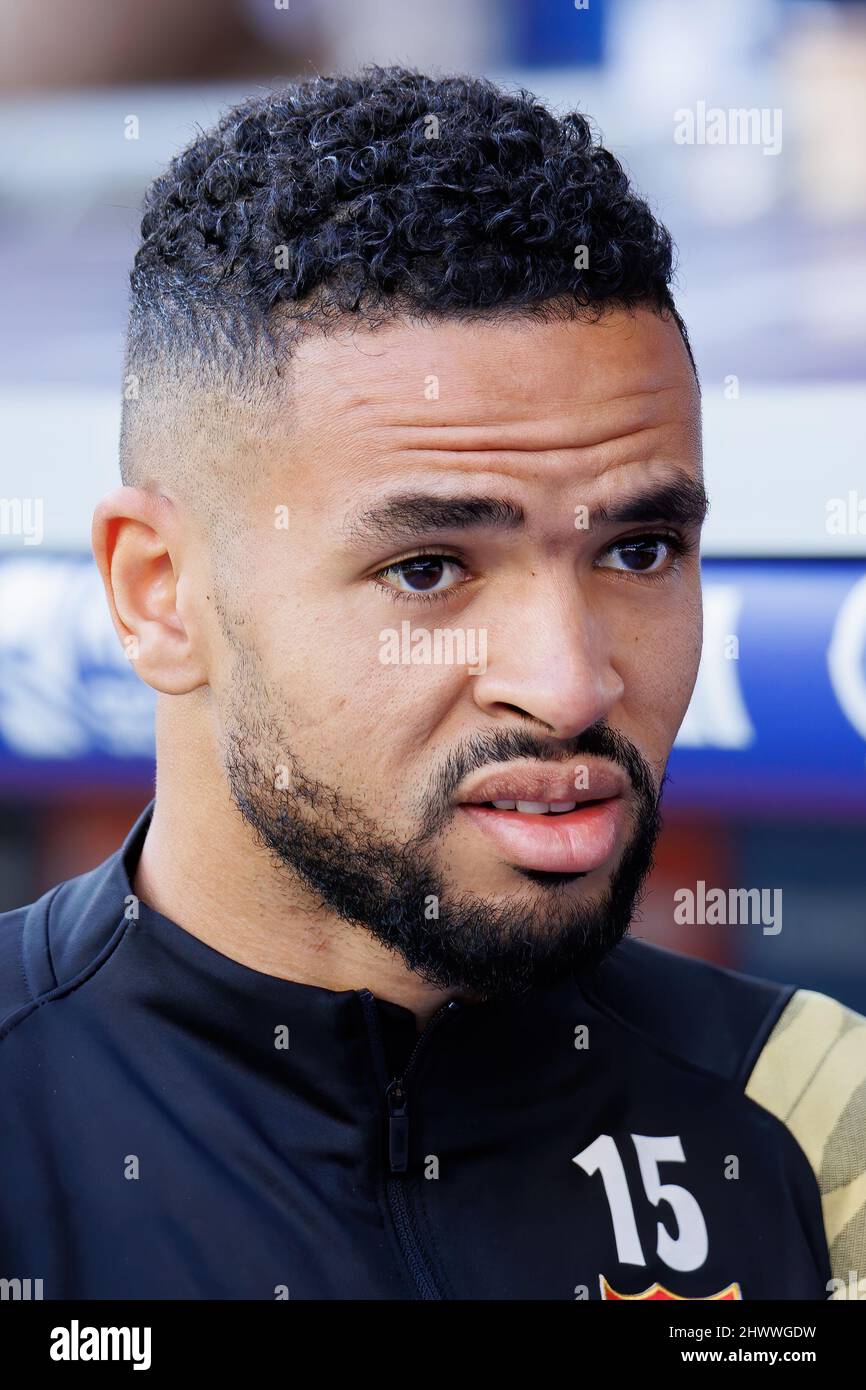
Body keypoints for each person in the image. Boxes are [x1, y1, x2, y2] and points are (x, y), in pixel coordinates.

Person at [1, 67, 863, 1301]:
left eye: (636, 550)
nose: (565, 687)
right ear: (157, 592)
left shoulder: (817, 1128)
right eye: (426, 568)